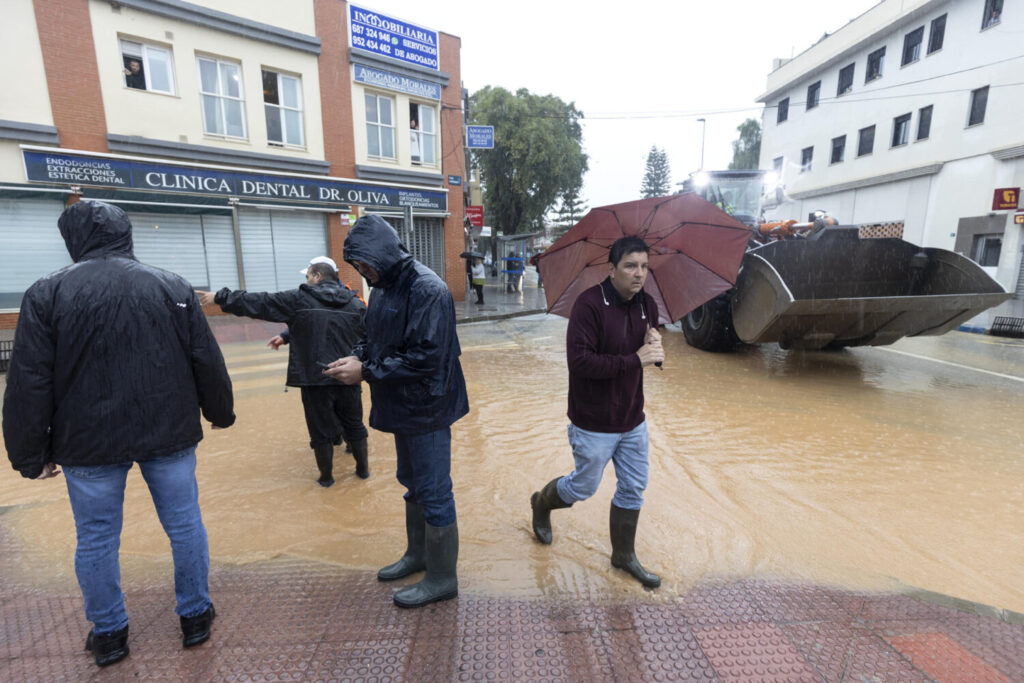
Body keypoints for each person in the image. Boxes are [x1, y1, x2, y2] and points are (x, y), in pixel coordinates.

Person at [2, 200, 235, 667]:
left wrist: (29, 453)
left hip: (86, 442)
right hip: (168, 431)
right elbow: (205, 358)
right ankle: (194, 617)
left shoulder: (46, 292)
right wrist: (220, 411)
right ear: (125, 233)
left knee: (96, 538)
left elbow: (30, 380)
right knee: (184, 523)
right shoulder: (172, 286)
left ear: (73, 239)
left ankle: (109, 634)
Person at [325, 215, 469, 609]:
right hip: (403, 405)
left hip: (430, 407)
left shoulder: (428, 289)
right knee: (412, 483)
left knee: (435, 491)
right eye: (356, 266)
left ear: (384, 253)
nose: (362, 272)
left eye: (364, 263)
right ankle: (418, 555)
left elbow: (427, 357)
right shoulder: (383, 287)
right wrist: (354, 358)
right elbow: (372, 339)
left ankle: (442, 578)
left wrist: (365, 371)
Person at [529, 236, 665, 589]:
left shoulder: (647, 305)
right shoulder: (588, 306)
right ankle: (542, 503)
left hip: (633, 418)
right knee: (583, 487)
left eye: (645, 267)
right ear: (611, 269)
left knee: (634, 488)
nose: (639, 274)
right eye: (631, 266)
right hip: (593, 421)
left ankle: (623, 556)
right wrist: (635, 359)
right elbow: (580, 362)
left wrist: (655, 346)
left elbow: (647, 349)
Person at [196, 256, 369, 486]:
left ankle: (326, 480)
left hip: (314, 378)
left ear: (317, 276)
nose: (306, 281)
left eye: (308, 276)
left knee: (320, 432)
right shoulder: (356, 303)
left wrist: (220, 297)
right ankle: (363, 473)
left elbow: (260, 302)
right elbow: (367, 337)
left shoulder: (298, 299)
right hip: (349, 377)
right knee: (354, 425)